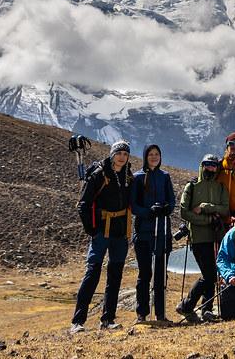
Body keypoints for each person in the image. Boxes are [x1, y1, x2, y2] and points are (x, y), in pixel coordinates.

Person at [71, 140, 133, 333]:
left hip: (120, 233)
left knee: (115, 277)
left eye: (125, 154)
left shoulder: (128, 175)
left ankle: (108, 319)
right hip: (101, 232)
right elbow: (83, 204)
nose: (122, 157)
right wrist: (92, 230)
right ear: (112, 154)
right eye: (119, 153)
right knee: (92, 274)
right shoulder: (100, 174)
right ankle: (77, 322)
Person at [176, 153, 230, 322]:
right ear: (202, 165)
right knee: (210, 275)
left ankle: (207, 309)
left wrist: (206, 207)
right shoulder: (191, 186)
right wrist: (207, 219)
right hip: (198, 237)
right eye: (207, 164)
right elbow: (184, 212)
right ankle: (186, 306)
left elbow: (225, 209)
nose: (211, 168)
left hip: (216, 236)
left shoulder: (220, 187)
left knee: (212, 273)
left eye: (214, 165)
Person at [130, 144, 175, 323]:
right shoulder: (137, 178)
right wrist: (149, 211)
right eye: (151, 154)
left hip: (162, 231)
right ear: (145, 156)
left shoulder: (165, 177)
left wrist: (165, 209)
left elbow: (171, 201)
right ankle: (142, 313)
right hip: (143, 233)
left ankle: (160, 313)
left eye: (157, 154)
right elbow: (133, 206)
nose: (154, 157)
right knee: (145, 273)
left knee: (160, 274)